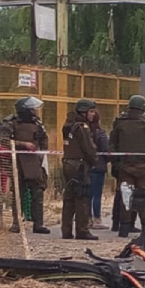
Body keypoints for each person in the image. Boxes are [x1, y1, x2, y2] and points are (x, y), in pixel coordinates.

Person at [110, 95, 145, 238]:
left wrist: (116, 162)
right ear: (143, 106)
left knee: (125, 197)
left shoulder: (119, 121)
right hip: (144, 166)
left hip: (124, 166)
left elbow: (112, 143)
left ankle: (124, 228)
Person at [5, 96, 50, 235]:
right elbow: (4, 140)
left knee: (38, 191)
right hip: (17, 161)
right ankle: (16, 223)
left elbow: (43, 140)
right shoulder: (11, 123)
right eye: (32, 109)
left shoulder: (37, 124)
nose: (35, 111)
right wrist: (22, 144)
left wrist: (42, 153)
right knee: (17, 193)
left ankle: (38, 224)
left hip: (34, 162)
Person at [60, 99, 100, 241]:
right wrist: (95, 161)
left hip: (68, 163)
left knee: (69, 198)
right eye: (91, 111)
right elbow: (88, 148)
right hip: (80, 165)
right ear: (83, 112)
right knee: (82, 198)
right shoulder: (82, 127)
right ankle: (82, 230)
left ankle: (66, 230)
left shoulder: (68, 124)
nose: (93, 114)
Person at [89, 109, 110, 230]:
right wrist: (108, 159)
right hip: (99, 167)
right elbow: (105, 150)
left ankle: (87, 218)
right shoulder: (101, 134)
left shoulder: (86, 132)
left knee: (88, 195)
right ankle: (97, 219)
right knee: (97, 194)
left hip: (87, 167)